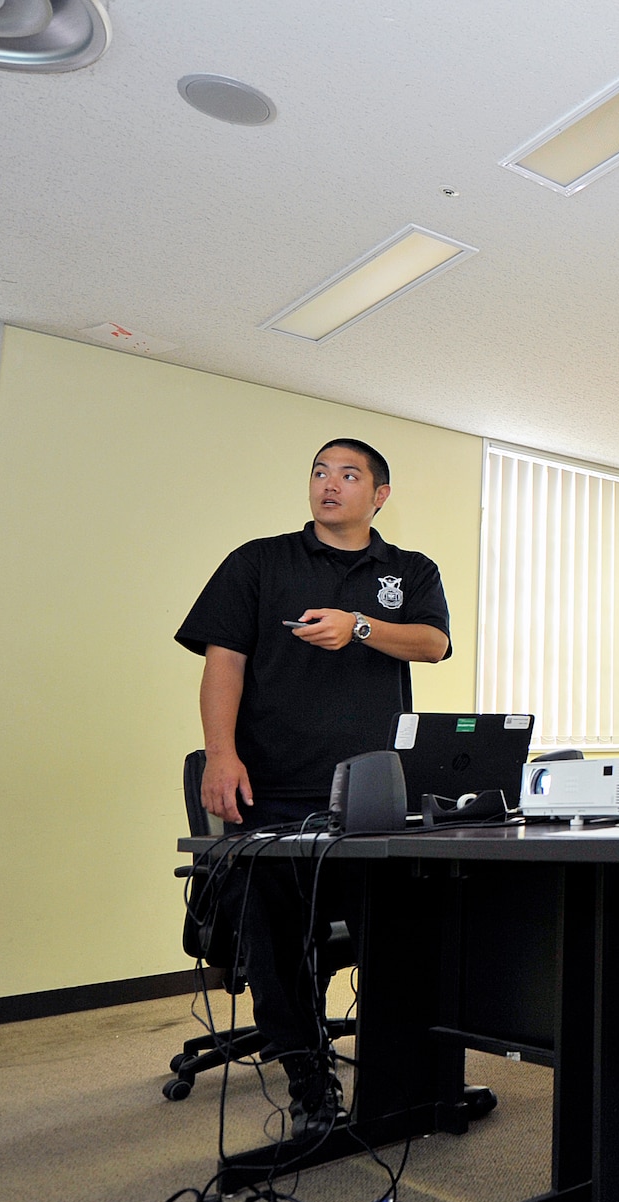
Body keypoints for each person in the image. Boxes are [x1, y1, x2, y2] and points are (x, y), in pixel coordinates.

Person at [176, 439, 452, 1137]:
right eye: (320, 472)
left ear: (379, 494)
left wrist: (359, 626)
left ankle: (409, 1081)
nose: (330, 484)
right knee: (272, 936)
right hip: (270, 793)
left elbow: (433, 643)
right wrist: (218, 754)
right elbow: (223, 663)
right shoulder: (258, 562)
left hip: (374, 797)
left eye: (349, 474)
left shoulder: (410, 570)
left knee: (405, 931)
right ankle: (309, 1081)